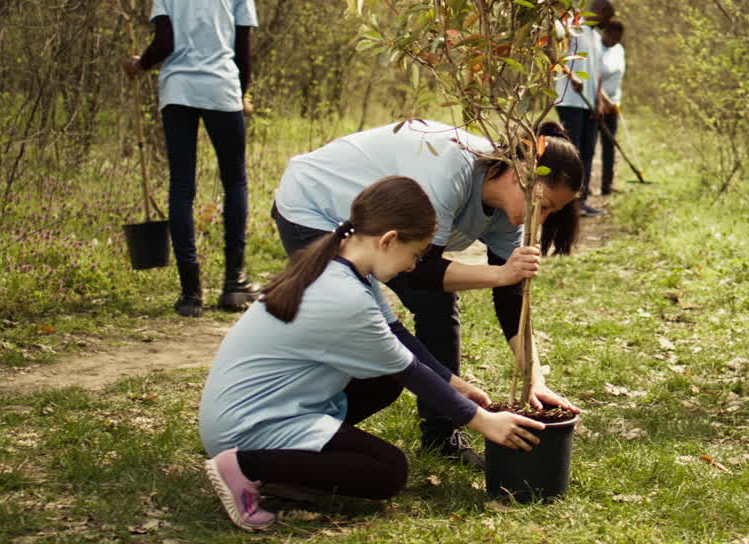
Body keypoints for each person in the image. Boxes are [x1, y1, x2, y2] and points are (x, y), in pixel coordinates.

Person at [200, 176, 545, 532]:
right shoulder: (345, 298)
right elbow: (410, 370)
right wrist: (482, 421)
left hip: (265, 405)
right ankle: (245, 466)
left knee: (382, 381)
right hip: (247, 425)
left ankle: (287, 465)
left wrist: (455, 384)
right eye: (414, 255)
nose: (413, 266)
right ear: (389, 240)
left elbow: (396, 336)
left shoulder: (343, 265)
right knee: (387, 471)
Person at [270, 120, 581, 468]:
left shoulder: (510, 218)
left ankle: (442, 435)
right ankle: (282, 427)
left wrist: (535, 379)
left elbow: (511, 299)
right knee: (357, 324)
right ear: (520, 174)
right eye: (548, 204)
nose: (543, 218)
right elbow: (421, 270)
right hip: (316, 207)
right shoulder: (452, 169)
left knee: (433, 306)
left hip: (376, 231)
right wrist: (499, 273)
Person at [122, 0, 258, 317]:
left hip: (178, 92)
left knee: (182, 185)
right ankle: (233, 284)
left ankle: (190, 294)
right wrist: (241, 92)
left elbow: (164, 43)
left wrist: (140, 65)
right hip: (221, 91)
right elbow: (243, 53)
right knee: (234, 180)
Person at [554, 0, 615, 216]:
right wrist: (571, 76)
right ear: (599, 9)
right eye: (608, 15)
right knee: (574, 152)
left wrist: (599, 103)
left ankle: (582, 200)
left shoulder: (596, 37)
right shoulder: (572, 27)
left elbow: (596, 72)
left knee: (588, 152)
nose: (609, 21)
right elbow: (555, 56)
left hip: (588, 105)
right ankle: (569, 203)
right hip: (569, 101)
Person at [595, 20, 626, 196]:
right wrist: (602, 101)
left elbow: (618, 79)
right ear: (605, 33)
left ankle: (607, 185)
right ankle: (581, 189)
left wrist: (615, 103)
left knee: (610, 145)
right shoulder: (596, 48)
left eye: (619, 38)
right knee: (589, 147)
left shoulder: (620, 50)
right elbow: (594, 77)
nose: (615, 40)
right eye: (613, 36)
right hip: (595, 104)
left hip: (613, 105)